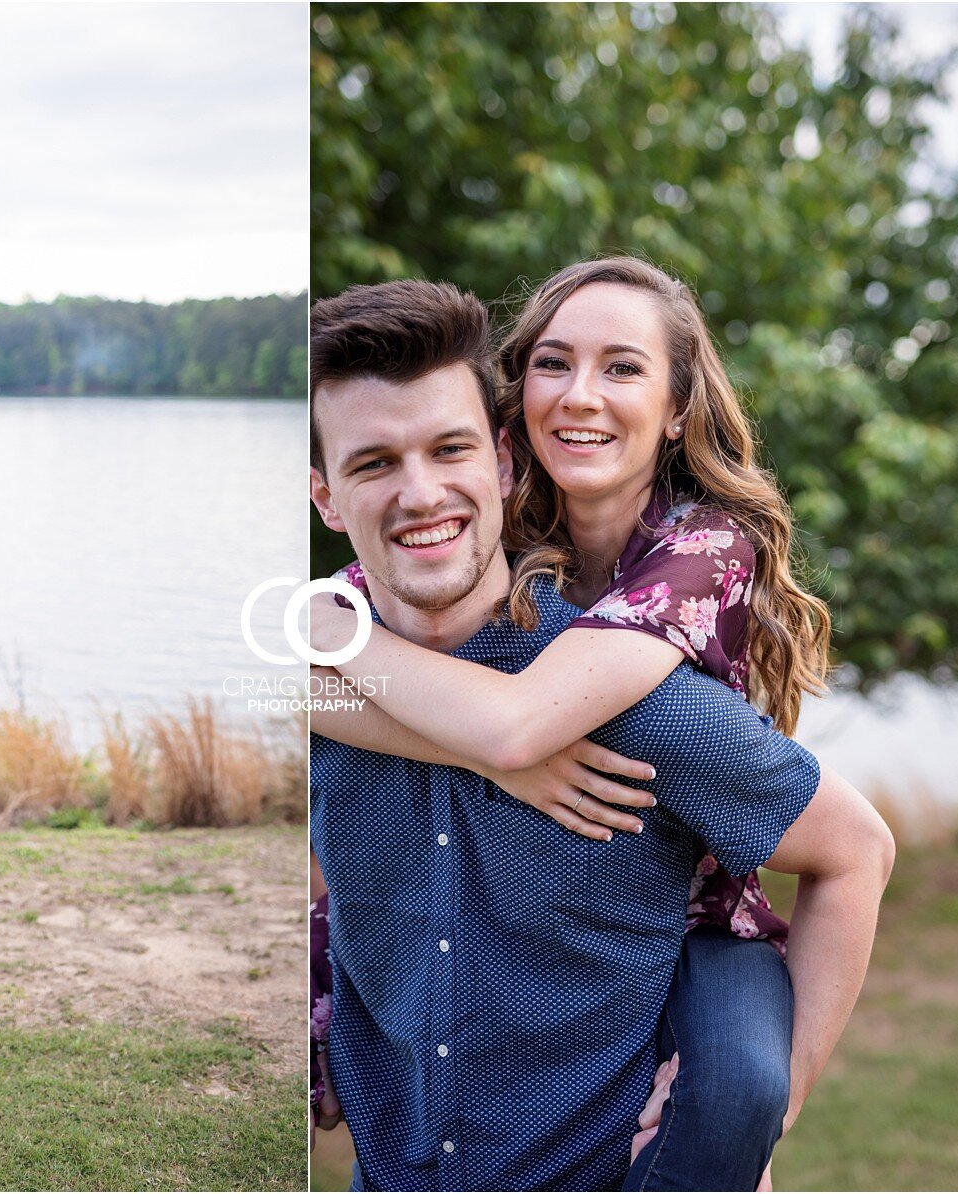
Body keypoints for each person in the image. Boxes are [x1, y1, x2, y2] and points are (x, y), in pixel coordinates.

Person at [307, 278, 893, 1190]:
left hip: (713, 919)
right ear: (325, 496)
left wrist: (769, 1117)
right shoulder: (323, 665)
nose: (421, 494)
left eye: (449, 450)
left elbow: (856, 847)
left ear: (497, 463)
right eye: (373, 463)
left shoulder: (663, 630)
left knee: (738, 1085)